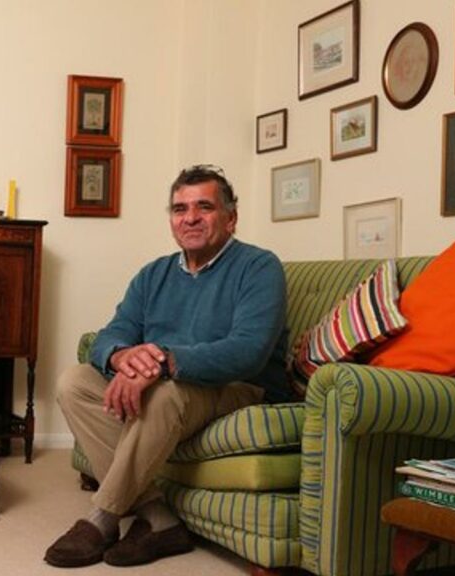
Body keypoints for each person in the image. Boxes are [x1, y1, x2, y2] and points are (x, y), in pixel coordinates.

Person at [45, 165, 290, 568]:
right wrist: (121, 357)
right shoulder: (153, 274)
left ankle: (102, 517)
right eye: (179, 209)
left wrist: (161, 361)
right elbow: (113, 333)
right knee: (74, 382)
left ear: (231, 218)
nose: (190, 218)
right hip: (171, 382)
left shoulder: (259, 267)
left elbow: (249, 351)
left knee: (162, 396)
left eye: (204, 207)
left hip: (238, 386)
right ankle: (158, 518)